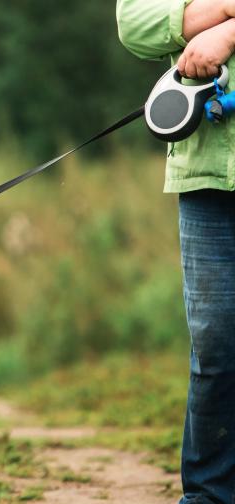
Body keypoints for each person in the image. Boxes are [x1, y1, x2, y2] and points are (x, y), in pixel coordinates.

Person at [117, 0, 235, 502]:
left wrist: (228, 35)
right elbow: (133, 22)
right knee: (216, 344)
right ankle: (208, 496)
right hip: (205, 174)